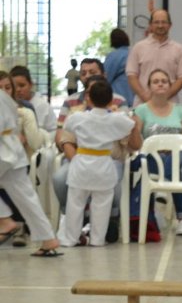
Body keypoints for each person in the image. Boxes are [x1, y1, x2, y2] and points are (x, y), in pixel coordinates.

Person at [58, 80, 142, 248]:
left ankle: (70, 238)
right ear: (111, 100)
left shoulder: (78, 117)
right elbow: (132, 126)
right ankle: (97, 239)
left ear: (89, 99)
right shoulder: (118, 119)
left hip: (81, 163)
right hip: (104, 164)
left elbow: (66, 127)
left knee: (75, 203)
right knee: (102, 205)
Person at [0, 88, 60, 256]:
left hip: (4, 151)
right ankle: (48, 239)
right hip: (12, 149)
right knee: (26, 197)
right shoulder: (3, 96)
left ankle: (4, 220)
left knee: (26, 196)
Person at [132, 69, 182, 236]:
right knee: (177, 174)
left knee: (178, 153)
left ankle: (163, 182)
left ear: (170, 86)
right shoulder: (141, 110)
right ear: (149, 87)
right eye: (156, 81)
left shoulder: (180, 110)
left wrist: (172, 147)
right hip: (151, 158)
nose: (160, 84)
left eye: (164, 81)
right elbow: (136, 141)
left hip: (178, 155)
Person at [126, 9, 182, 106]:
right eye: (156, 22)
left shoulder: (179, 49)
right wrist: (146, 97)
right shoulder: (138, 47)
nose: (160, 26)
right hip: (142, 104)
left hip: (170, 104)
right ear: (150, 25)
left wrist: (163, 97)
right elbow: (132, 76)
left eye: (164, 22)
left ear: (170, 25)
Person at [9, 66, 56, 133]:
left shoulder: (43, 106)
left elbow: (53, 131)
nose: (18, 89)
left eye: (22, 85)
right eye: (14, 86)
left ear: (30, 85)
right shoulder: (7, 106)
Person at [103, 28, 132, 102]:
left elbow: (106, 77)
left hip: (118, 93)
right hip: (133, 93)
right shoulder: (133, 53)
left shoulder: (113, 56)